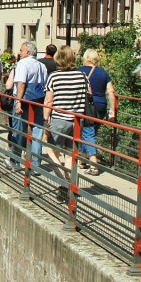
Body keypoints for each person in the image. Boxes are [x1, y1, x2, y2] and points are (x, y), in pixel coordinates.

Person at [44, 45, 91, 200]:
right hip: (77, 121)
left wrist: (45, 120)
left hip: (60, 118)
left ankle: (63, 183)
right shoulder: (82, 76)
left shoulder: (54, 76)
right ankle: (70, 185)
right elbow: (88, 94)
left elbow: (49, 100)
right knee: (70, 155)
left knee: (51, 151)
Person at [5, 41, 47, 168]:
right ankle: (36, 164)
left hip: (24, 101)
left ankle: (15, 160)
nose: (19, 52)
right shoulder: (42, 66)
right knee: (37, 131)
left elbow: (21, 83)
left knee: (19, 130)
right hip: (38, 100)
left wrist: (18, 101)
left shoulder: (22, 63)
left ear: (28, 52)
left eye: (21, 50)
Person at [77, 49, 115, 174]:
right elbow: (111, 91)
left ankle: (93, 165)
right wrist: (112, 110)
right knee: (90, 132)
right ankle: (82, 159)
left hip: (86, 105)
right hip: (101, 105)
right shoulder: (103, 72)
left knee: (88, 132)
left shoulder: (79, 71)